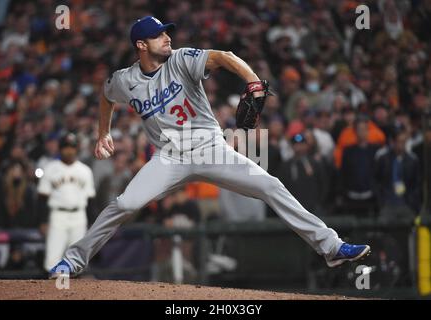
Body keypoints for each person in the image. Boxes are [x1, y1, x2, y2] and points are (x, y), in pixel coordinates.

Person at [50, 16, 370, 277]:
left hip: (210, 148)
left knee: (270, 186)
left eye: (166, 33)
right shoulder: (125, 80)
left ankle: (331, 247)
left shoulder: (181, 59)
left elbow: (225, 57)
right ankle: (73, 261)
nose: (167, 38)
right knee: (125, 205)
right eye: (159, 35)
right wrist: (102, 132)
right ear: (141, 44)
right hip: (169, 158)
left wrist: (254, 81)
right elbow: (106, 96)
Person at [38, 132, 96, 271]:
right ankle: (54, 291)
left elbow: (90, 200)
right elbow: (42, 198)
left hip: (79, 216)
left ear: (76, 149)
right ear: (60, 149)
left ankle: (71, 293)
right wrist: (42, 221)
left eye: (72, 147)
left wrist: (91, 222)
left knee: (77, 261)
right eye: (66, 147)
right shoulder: (51, 168)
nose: (69, 150)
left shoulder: (85, 170)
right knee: (52, 260)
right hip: (58, 216)